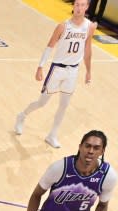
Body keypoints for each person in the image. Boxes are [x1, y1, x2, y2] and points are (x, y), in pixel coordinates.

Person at [14, 0, 96, 149]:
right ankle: (22, 116)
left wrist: (89, 71)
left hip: (73, 71)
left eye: (82, 5)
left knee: (64, 105)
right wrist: (40, 67)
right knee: (42, 103)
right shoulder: (63, 26)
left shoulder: (89, 27)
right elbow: (49, 46)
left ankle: (52, 135)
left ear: (87, 7)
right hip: (57, 69)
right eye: (76, 4)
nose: (78, 8)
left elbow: (87, 50)